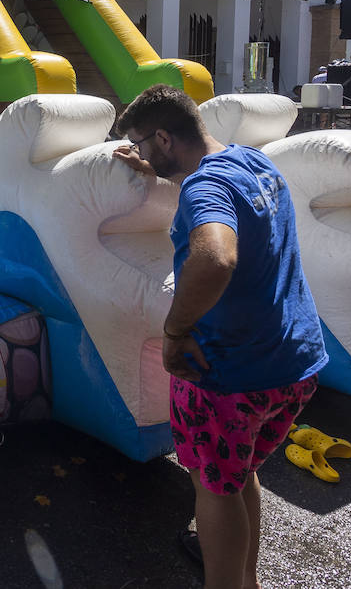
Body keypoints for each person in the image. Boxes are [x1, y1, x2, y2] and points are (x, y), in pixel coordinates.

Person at [111, 84, 327, 589]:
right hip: (293, 363)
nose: (140, 153)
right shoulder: (252, 162)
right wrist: (154, 171)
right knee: (238, 472)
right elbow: (221, 197)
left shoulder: (204, 189)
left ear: (164, 138)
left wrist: (175, 330)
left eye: (142, 144)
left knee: (214, 487)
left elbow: (215, 256)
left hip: (228, 375)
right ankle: (245, 579)